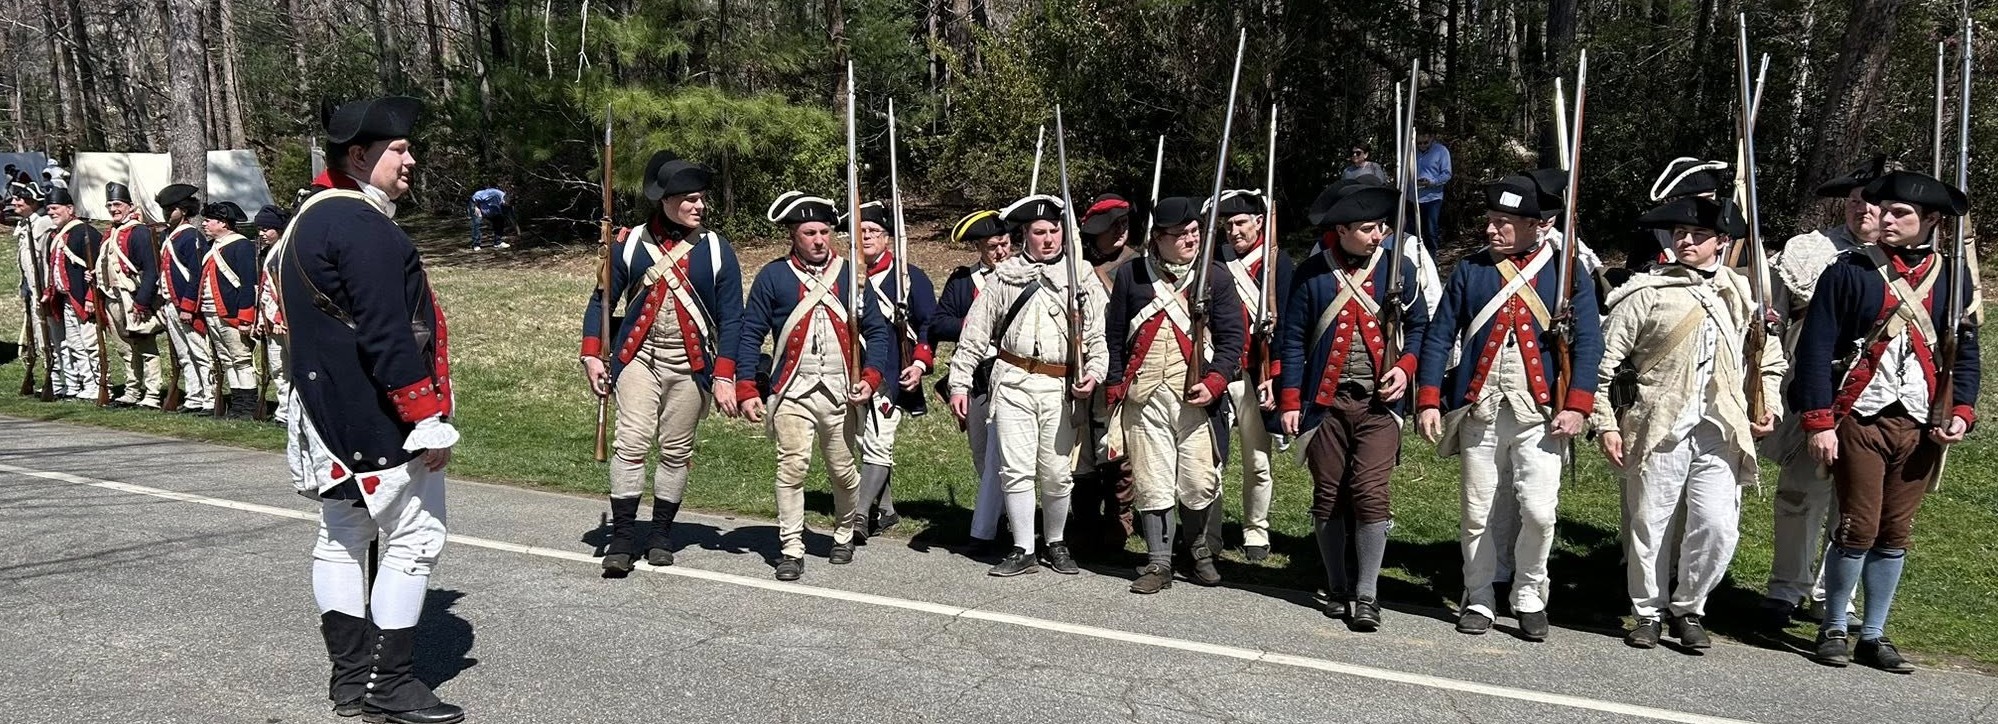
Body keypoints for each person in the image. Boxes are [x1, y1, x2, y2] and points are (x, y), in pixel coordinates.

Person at [278, 95, 463, 723]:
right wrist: (424, 416)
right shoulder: (361, 224)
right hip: (375, 412)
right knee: (415, 537)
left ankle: (351, 681)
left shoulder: (309, 219)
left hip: (325, 410)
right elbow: (389, 332)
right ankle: (390, 683)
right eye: (399, 149)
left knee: (342, 537)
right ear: (358, 156)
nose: (410, 160)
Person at [1794, 170, 1979, 673]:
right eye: (1885, 210)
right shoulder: (1850, 270)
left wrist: (1961, 412)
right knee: (1858, 525)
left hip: (1921, 422)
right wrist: (1819, 421)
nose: (1885, 219)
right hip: (1860, 416)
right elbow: (1816, 350)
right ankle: (1835, 625)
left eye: (1901, 213)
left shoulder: (1953, 279)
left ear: (1931, 219)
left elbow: (1965, 354)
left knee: (1895, 531)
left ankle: (1873, 633)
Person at [1415, 171, 1602, 641]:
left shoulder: (1566, 272)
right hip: (1480, 410)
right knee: (1478, 511)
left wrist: (1578, 405)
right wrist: (1430, 397)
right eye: (1491, 219)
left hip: (1541, 415)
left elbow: (1589, 344)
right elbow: (1440, 335)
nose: (1491, 229)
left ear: (1537, 225)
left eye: (1503, 222)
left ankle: (1530, 593)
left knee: (1539, 512)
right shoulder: (1472, 270)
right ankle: (1479, 596)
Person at [1595, 196, 1785, 650]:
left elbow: (1768, 359)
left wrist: (1770, 404)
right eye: (1681, 234)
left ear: (1721, 242)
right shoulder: (1646, 292)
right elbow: (1605, 364)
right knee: (1650, 524)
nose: (1687, 242)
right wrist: (1606, 423)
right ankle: (1648, 612)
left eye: (1699, 235)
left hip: (1721, 427)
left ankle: (1690, 607)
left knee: (1717, 526)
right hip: (1658, 424)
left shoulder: (1743, 296)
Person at [580, 151, 742, 574]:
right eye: (690, 199)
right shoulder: (630, 243)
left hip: (691, 365)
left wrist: (725, 375)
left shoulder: (717, 250)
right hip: (639, 358)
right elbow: (602, 301)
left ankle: (661, 534)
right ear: (667, 201)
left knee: (675, 451)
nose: (700, 206)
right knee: (631, 444)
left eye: (701, 198)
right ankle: (622, 537)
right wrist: (592, 354)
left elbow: (733, 319)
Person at [1280, 182, 1429, 629]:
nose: (1377, 235)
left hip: (1379, 407)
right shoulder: (1312, 274)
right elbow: (1293, 340)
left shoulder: (1398, 269)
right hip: (1325, 404)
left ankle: (1367, 593)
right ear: (1341, 230)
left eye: (1380, 226)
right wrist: (1291, 400)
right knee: (1328, 493)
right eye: (1367, 228)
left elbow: (1419, 326)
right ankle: (1337, 585)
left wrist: (1405, 366)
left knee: (1370, 491)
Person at [726, 191, 892, 581]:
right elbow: (751, 334)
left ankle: (844, 532)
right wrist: (746, 387)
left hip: (840, 391)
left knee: (843, 471)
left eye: (824, 232)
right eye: (809, 233)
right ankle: (791, 547)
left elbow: (877, 332)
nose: (819, 240)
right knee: (792, 467)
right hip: (791, 390)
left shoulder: (851, 275)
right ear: (793, 235)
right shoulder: (773, 276)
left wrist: (870, 378)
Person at [946, 194, 1108, 577]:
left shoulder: (1080, 275)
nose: (1048, 239)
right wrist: (959, 383)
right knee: (1015, 470)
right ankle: (1023, 548)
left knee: (1056, 473)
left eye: (1054, 230)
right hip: (1013, 382)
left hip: (1058, 385)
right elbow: (974, 335)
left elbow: (1097, 336)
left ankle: (1056, 541)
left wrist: (1094, 372)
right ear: (1025, 235)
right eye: (1039, 232)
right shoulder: (1005, 275)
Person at [1759, 158, 1883, 627]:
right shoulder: (1808, 250)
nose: (1862, 210)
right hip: (1810, 386)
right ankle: (1785, 588)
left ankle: (1834, 597)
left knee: (1853, 501)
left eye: (1872, 203)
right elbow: (1771, 322)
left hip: (1874, 395)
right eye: (1855, 202)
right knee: (1799, 494)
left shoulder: (1906, 262)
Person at [1104, 196, 1244, 593]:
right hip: (1145, 397)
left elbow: (1233, 339)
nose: (1191, 239)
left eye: (1195, 232)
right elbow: (1115, 335)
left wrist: (1215, 382)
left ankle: (1198, 551)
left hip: (1196, 400)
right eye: (1181, 234)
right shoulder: (1132, 275)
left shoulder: (1215, 276)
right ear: (1159, 238)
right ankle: (1158, 562)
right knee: (1153, 479)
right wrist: (1115, 386)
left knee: (1198, 480)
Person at [850, 201, 937, 538]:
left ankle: (859, 515)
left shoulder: (908, 278)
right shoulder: (847, 276)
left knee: (879, 441)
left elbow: (929, 324)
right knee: (863, 440)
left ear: (887, 237)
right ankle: (885, 510)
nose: (867, 237)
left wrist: (919, 363)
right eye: (861, 231)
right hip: (854, 371)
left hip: (891, 373)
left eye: (873, 231)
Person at [1215, 189, 1293, 562]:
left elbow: (1288, 323)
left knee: (1258, 461)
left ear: (1259, 222)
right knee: (1211, 458)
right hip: (1219, 369)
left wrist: (1275, 375)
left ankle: (1256, 531)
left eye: (1241, 222)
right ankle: (1208, 532)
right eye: (1228, 225)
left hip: (1255, 372)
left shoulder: (1277, 263)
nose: (1234, 231)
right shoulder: (1216, 260)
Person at [928, 210, 1013, 550]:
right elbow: (939, 323)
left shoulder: (1023, 276)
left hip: (1013, 373)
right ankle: (1000, 517)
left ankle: (1010, 520)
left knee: (1010, 454)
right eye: (993, 246)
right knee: (981, 451)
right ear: (979, 247)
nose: (1001, 252)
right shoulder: (964, 281)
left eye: (1005, 243)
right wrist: (974, 323)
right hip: (978, 376)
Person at [1072, 193, 1140, 553]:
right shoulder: (1076, 267)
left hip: (1120, 370)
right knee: (1080, 448)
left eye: (1123, 223)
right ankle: (1083, 522)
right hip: (1079, 369)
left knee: (1115, 448)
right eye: (1111, 225)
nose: (1120, 230)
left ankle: (1119, 520)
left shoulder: (1139, 267)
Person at [96, 182, 166, 408]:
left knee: (145, 347)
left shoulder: (139, 232)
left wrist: (142, 302)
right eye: (110, 205)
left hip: (133, 298)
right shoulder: (111, 232)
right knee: (124, 348)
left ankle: (153, 393)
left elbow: (151, 270)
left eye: (117, 204)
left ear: (129, 206)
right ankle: (132, 390)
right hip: (113, 297)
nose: (113, 209)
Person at [156, 183, 215, 414]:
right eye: (165, 209)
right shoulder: (167, 236)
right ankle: (194, 396)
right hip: (171, 303)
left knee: (199, 352)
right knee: (184, 354)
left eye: (171, 209)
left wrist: (189, 306)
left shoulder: (191, 236)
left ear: (183, 210)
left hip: (186, 304)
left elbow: (196, 274)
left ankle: (210, 397)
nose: (166, 213)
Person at [199, 201, 259, 419]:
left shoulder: (241, 246)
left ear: (223, 223)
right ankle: (237, 404)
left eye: (209, 220)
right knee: (227, 359)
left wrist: (246, 317)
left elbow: (248, 284)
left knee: (241, 358)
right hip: (212, 312)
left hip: (232, 313)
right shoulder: (212, 247)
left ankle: (248, 406)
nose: (204, 224)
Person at [41, 188, 101, 399]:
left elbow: (96, 270)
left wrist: (91, 297)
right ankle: (87, 384)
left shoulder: (85, 232)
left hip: (83, 299)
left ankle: (100, 384)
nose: (51, 212)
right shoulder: (56, 236)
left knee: (90, 344)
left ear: (69, 208)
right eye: (49, 209)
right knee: (75, 344)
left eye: (55, 208)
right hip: (67, 299)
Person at [12, 186, 54, 393]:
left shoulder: (43, 224)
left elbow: (44, 261)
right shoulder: (25, 225)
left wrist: (44, 290)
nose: (14, 202)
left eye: (20, 199)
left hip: (42, 290)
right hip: (31, 290)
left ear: (33, 202)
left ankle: (55, 378)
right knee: (37, 335)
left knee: (47, 335)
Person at [253, 204, 291, 423]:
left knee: (287, 368)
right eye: (260, 229)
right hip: (270, 319)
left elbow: (282, 289)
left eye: (266, 229)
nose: (262, 233)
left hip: (282, 321)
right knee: (278, 368)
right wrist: (262, 318)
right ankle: (284, 411)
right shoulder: (270, 252)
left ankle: (289, 412)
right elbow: (265, 290)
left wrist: (279, 318)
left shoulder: (285, 250)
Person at [1414, 128, 1452, 251]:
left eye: (1425, 142)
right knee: (1412, 234)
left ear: (1432, 138)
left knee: (1430, 232)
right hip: (1413, 198)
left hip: (1432, 198)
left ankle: (1432, 259)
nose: (1422, 146)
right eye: (1419, 143)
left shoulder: (1441, 151)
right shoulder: (1412, 151)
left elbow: (1447, 174)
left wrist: (1432, 182)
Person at [469, 185, 510, 250]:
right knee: (477, 222)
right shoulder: (494, 194)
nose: (506, 205)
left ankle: (498, 242)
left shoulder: (508, 205)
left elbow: (512, 218)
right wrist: (476, 207)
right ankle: (476, 244)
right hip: (476, 204)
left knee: (500, 220)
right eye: (506, 203)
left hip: (490, 210)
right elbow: (476, 196)